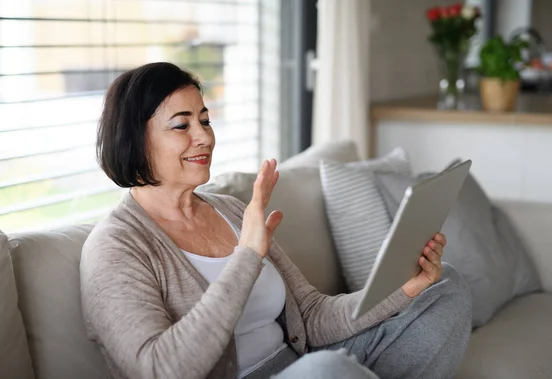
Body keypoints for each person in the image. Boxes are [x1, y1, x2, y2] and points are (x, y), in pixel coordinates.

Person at [80, 62, 472, 379]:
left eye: (205, 120)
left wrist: (404, 289)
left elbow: (314, 317)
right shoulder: (115, 246)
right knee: (329, 370)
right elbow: (161, 369)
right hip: (315, 370)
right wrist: (247, 255)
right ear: (134, 139)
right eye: (182, 125)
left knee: (446, 286)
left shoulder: (230, 210)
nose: (204, 137)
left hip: (306, 364)